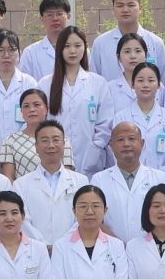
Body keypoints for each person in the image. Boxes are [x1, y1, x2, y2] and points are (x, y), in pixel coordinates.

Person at [41, 25, 114, 173]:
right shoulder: (45, 84)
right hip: (55, 156)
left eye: (77, 45)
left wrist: (96, 147)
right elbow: (41, 121)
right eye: (67, 46)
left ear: (85, 48)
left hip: (91, 157)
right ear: (60, 49)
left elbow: (105, 123)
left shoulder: (98, 83)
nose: (72, 51)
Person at [91, 121, 165, 242]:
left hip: (150, 247)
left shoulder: (159, 178)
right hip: (110, 248)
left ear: (142, 143)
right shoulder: (98, 180)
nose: (126, 144)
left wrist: (144, 245)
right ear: (111, 145)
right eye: (120, 140)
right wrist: (117, 244)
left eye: (131, 139)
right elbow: (96, 219)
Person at [15, 121, 90, 241]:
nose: (51, 145)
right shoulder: (20, 184)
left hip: (71, 246)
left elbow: (83, 217)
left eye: (56, 140)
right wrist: (41, 245)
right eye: (45, 140)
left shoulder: (81, 181)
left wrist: (62, 245)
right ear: (36, 146)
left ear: (64, 144)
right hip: (34, 248)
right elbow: (23, 220)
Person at [108, 62, 165, 171]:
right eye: (140, 80)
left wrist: (160, 176)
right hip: (130, 175)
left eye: (151, 80)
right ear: (133, 84)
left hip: (163, 178)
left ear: (159, 85)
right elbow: (117, 151)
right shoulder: (121, 117)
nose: (145, 85)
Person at [0, 32, 40, 143]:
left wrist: (16, 145)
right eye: (0, 50)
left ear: (19, 52)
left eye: (11, 50)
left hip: (24, 146)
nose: (6, 55)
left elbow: (33, 117)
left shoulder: (29, 83)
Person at [91, 0, 165, 76]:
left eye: (131, 5)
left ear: (140, 8)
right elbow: (95, 79)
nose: (125, 10)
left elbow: (162, 79)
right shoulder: (100, 43)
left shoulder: (156, 42)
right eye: (120, 5)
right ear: (113, 9)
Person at [19, 0, 73, 79]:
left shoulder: (80, 49)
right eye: (49, 15)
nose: (55, 18)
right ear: (41, 19)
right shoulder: (30, 53)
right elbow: (24, 83)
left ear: (68, 17)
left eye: (59, 14)